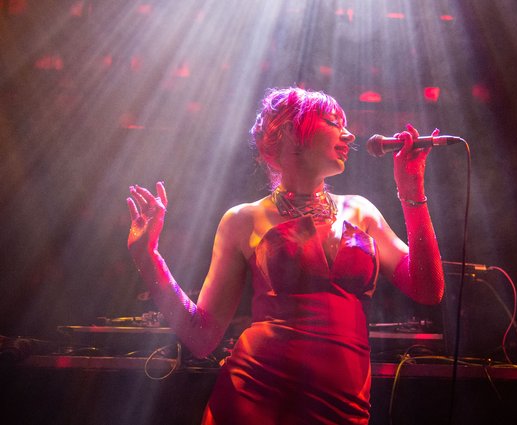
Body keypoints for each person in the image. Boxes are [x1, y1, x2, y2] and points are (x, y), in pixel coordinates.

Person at [126, 87, 445, 425]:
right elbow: (201, 336)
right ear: (294, 132)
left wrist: (412, 191)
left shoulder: (361, 211)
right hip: (255, 400)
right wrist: (147, 256)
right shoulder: (243, 219)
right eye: (334, 122)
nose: (349, 135)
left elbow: (429, 289)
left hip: (343, 409)